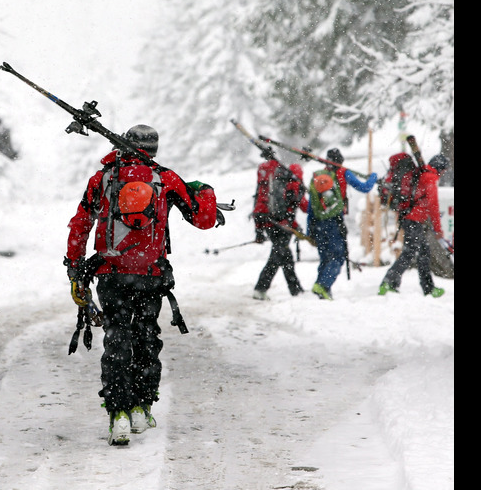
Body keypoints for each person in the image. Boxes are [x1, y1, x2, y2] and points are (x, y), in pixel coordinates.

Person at [64, 124, 221, 446]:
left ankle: (117, 412)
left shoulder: (104, 178)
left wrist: (75, 266)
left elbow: (81, 223)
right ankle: (141, 406)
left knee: (117, 339)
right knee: (146, 336)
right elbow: (203, 219)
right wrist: (203, 190)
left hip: (111, 272)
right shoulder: (166, 178)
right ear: (154, 149)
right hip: (150, 275)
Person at [305, 148, 378, 300]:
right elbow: (364, 188)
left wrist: (309, 229)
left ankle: (321, 287)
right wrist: (373, 177)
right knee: (338, 257)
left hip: (317, 222)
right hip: (334, 221)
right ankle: (323, 285)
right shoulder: (344, 173)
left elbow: (311, 205)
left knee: (325, 257)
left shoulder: (318, 177)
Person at [378, 154, 449, 297]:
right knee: (411, 252)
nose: (443, 174)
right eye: (444, 171)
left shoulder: (422, 173)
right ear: (440, 168)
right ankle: (389, 281)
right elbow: (433, 205)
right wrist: (437, 228)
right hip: (413, 219)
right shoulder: (430, 178)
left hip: (409, 217)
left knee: (423, 252)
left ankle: (426, 288)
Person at [252, 160, 309, 300]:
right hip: (282, 228)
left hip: (271, 224)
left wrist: (259, 229)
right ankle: (260, 288)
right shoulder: (295, 185)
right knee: (276, 257)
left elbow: (263, 207)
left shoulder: (276, 183)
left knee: (286, 258)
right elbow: (303, 208)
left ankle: (296, 290)